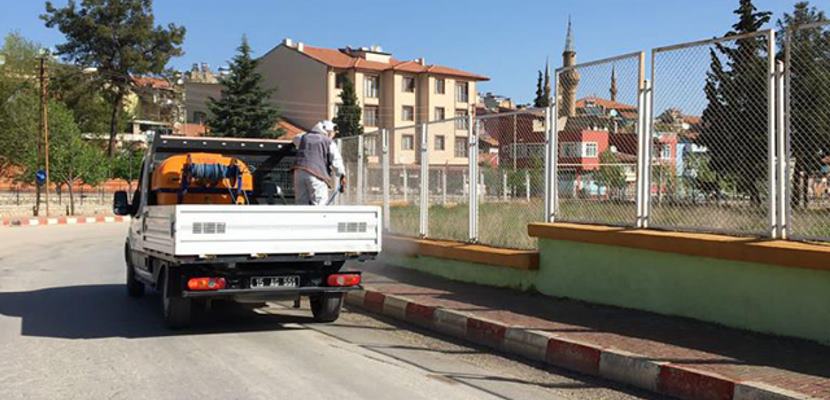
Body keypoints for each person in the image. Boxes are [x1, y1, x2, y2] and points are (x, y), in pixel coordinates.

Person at [291, 120, 346, 205]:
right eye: (333, 133)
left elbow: (295, 139)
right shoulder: (328, 142)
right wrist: (342, 175)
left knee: (301, 203)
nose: (333, 136)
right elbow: (336, 160)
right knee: (320, 203)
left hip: (299, 172)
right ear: (328, 131)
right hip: (316, 174)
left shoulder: (304, 137)